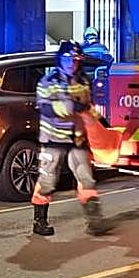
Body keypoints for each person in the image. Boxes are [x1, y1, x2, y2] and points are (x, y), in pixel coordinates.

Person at [31, 41, 107, 237]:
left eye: (76, 59)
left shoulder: (82, 81)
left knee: (86, 179)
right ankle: (39, 221)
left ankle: (94, 221)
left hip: (77, 140)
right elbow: (44, 107)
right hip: (53, 140)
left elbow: (88, 107)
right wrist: (68, 108)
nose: (73, 63)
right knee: (47, 180)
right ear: (60, 59)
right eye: (69, 59)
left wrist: (101, 123)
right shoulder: (48, 81)